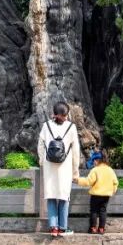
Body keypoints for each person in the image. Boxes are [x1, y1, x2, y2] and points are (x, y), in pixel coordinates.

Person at [38, 101, 80, 237]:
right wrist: (75, 171)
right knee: (63, 196)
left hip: (49, 166)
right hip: (65, 167)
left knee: (51, 195)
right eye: (66, 114)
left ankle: (53, 228)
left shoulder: (46, 126)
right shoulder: (71, 127)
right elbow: (75, 152)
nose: (67, 117)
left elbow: (40, 145)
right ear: (61, 115)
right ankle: (63, 228)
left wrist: (42, 161)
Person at [75, 149, 118, 235]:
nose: (93, 162)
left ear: (98, 160)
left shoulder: (95, 170)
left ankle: (93, 228)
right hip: (106, 195)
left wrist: (77, 180)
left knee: (94, 211)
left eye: (94, 160)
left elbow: (88, 181)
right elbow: (115, 182)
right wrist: (113, 191)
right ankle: (101, 228)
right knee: (103, 211)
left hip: (96, 195)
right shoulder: (110, 170)